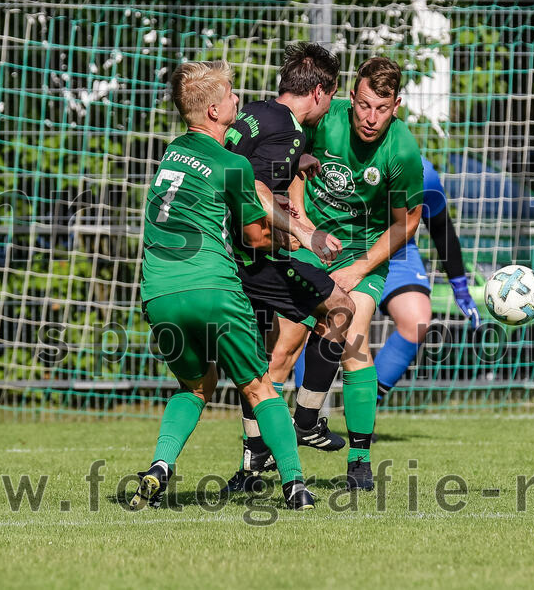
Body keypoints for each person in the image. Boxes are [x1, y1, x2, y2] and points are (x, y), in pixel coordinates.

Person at [132, 60, 314, 511]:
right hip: (211, 286)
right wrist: (306, 235)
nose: (238, 99)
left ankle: (159, 468)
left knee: (195, 386)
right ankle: (295, 485)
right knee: (259, 387)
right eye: (232, 94)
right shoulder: (231, 163)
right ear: (214, 111)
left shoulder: (172, 152)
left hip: (157, 292)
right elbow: (257, 225)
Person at [276, 56, 424, 490]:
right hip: (308, 244)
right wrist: (302, 226)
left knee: (354, 335)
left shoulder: (402, 150)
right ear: (351, 97)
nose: (370, 117)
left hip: (361, 255)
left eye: (381, 108)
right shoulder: (324, 121)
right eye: (362, 105)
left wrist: (359, 269)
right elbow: (295, 163)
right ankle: (258, 459)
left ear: (395, 105)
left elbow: (406, 222)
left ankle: (359, 461)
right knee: (281, 348)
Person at [221, 43, 357, 492]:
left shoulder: (259, 112)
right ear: (319, 92)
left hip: (232, 256)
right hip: (260, 256)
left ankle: (252, 462)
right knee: (339, 308)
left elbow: (243, 159)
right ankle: (306, 420)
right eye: (333, 96)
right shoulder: (292, 131)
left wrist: (297, 164)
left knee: (265, 361)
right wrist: (307, 236)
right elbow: (258, 184)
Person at [374, 155, 481, 402]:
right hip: (343, 243)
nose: (372, 119)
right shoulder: (340, 151)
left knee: (417, 321)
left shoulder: (422, 172)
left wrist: (460, 286)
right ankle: (304, 418)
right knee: (327, 323)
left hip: (396, 249)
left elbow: (441, 227)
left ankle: (364, 408)